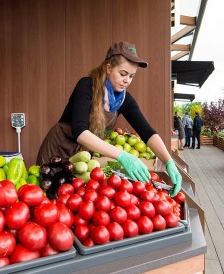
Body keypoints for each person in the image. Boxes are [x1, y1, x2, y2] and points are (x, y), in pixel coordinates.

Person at [36, 41, 182, 195]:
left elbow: (147, 132)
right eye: (123, 74)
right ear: (109, 68)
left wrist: (168, 161)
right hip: (57, 152)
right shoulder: (86, 86)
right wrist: (122, 156)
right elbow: (80, 132)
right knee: (48, 198)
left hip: (82, 159)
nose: (127, 80)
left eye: (132, 76)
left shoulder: (124, 99)